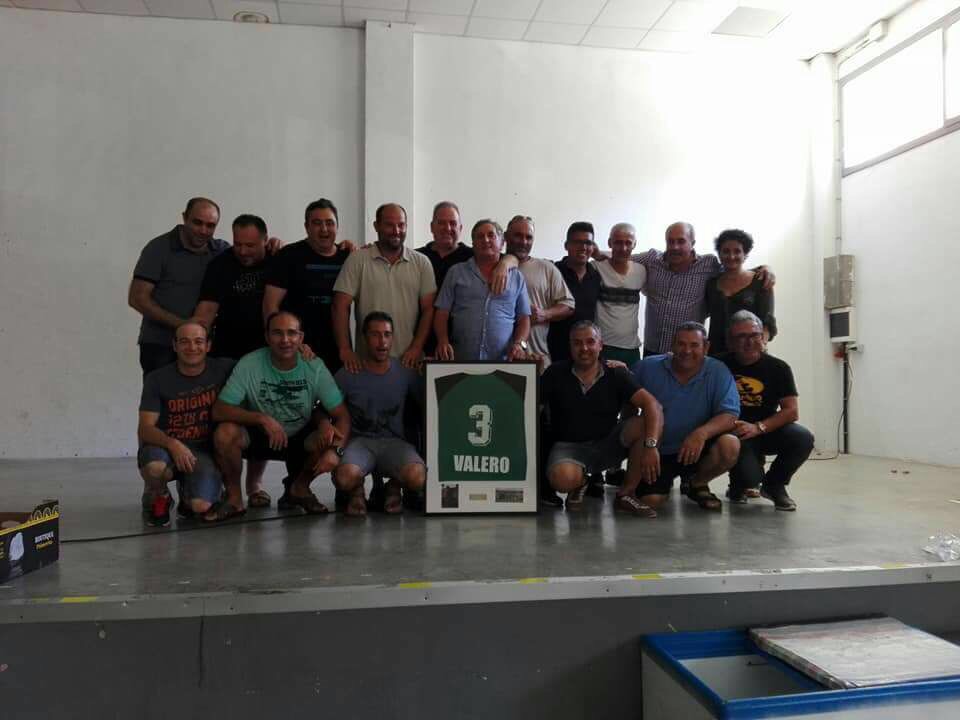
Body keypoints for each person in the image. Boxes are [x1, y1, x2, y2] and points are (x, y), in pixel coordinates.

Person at [211, 311, 351, 521]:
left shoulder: (314, 367)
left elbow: (342, 416)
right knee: (224, 433)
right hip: (259, 435)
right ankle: (234, 499)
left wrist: (336, 451)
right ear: (267, 337)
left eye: (291, 333)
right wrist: (262, 419)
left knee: (329, 436)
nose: (285, 340)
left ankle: (300, 488)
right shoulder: (250, 363)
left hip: (299, 436)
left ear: (301, 338)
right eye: (277, 333)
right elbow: (219, 410)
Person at [541, 321, 664, 516]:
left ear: (600, 345)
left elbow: (653, 405)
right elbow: (531, 406)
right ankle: (581, 482)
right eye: (577, 343)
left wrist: (651, 446)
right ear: (569, 346)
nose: (584, 348)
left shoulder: (616, 372)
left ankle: (626, 495)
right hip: (569, 447)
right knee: (561, 479)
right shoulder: (554, 372)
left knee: (643, 424)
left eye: (590, 342)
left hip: (608, 444)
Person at [194, 213, 274, 507]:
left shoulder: (278, 260)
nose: (242, 251)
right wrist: (194, 343)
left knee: (261, 419)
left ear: (265, 241)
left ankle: (255, 485)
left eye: (250, 245)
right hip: (225, 356)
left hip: (266, 357)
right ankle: (230, 487)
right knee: (226, 423)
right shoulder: (221, 265)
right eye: (238, 244)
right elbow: (205, 312)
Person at [631, 322, 741, 511]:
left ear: (706, 347)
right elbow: (626, 402)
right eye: (681, 344)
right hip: (659, 451)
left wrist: (701, 434)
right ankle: (660, 484)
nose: (687, 351)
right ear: (672, 345)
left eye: (694, 345)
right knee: (651, 501)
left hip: (698, 450)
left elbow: (729, 414)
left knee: (730, 445)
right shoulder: (646, 367)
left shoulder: (718, 371)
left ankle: (697, 483)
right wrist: (643, 447)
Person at [624, 222, 773, 356]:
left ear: (692, 243)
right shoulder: (652, 259)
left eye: (681, 241)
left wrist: (763, 269)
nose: (675, 247)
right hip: (653, 349)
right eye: (671, 241)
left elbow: (734, 269)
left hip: (688, 353)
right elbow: (619, 258)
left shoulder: (708, 265)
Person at [137, 321, 235, 526]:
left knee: (201, 507)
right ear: (175, 345)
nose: (192, 347)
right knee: (155, 467)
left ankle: (189, 493)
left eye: (198, 341)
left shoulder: (224, 368)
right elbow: (145, 429)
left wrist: (300, 351)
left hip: (203, 451)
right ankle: (159, 495)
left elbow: (264, 363)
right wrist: (173, 444)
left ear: (208, 345)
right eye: (184, 342)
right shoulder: (157, 379)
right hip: (165, 448)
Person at [333, 312, 426, 516]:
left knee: (418, 477)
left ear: (392, 338)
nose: (382, 341)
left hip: (395, 443)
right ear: (365, 338)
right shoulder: (348, 373)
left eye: (386, 334)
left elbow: (429, 403)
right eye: (375, 335)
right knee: (344, 479)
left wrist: (429, 367)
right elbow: (326, 408)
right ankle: (357, 491)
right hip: (359, 443)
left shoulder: (405, 372)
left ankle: (393, 488)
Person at [721, 310, 812, 510]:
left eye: (755, 335)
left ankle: (774, 485)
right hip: (733, 433)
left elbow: (791, 411)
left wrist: (758, 427)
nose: (749, 342)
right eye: (741, 336)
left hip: (766, 429)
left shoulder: (779, 368)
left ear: (763, 337)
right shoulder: (719, 365)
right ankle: (738, 484)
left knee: (803, 437)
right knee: (749, 479)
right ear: (731, 341)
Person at [128, 197, 230, 375]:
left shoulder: (221, 251)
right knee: (161, 392)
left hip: (202, 346)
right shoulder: (158, 248)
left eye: (210, 225)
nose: (203, 230)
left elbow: (250, 253)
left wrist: (273, 245)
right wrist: (182, 325)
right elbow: (137, 298)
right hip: (161, 345)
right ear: (184, 218)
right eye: (197, 223)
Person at [332, 203, 436, 372]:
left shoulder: (421, 263)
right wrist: (345, 349)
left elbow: (429, 309)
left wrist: (417, 347)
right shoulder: (357, 260)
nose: (396, 230)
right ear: (376, 226)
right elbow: (340, 306)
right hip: (367, 364)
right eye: (389, 224)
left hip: (408, 362)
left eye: (401, 225)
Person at [263, 199, 352, 374]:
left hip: (337, 351)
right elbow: (270, 305)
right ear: (306, 227)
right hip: (296, 349)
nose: (324, 229)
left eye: (330, 223)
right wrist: (285, 342)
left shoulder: (347, 258)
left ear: (337, 226)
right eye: (317, 223)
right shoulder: (288, 256)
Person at [434, 219, 531, 361]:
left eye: (491, 235)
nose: (485, 240)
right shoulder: (456, 272)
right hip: (461, 360)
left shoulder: (516, 277)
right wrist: (442, 341)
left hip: (503, 362)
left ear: (502, 243)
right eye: (480, 236)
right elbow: (442, 312)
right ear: (473, 244)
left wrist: (519, 344)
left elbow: (524, 318)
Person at [503, 215, 574, 366]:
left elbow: (569, 305)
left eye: (528, 237)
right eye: (518, 235)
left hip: (537, 358)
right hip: (497, 358)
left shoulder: (546, 268)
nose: (523, 242)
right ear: (506, 237)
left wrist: (544, 314)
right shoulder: (493, 266)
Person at [705, 229, 776, 356]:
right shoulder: (711, 284)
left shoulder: (760, 281)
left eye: (737, 251)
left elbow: (767, 322)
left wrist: (761, 345)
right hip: (716, 354)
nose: (731, 256)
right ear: (719, 254)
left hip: (749, 353)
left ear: (745, 254)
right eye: (726, 251)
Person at [547, 222, 602, 364]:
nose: (583, 247)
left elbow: (618, 259)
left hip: (586, 354)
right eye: (577, 242)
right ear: (566, 245)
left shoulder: (596, 276)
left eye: (588, 243)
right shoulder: (552, 271)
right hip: (554, 352)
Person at [596, 223, 646, 367]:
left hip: (631, 348)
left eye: (628, 243)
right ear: (609, 243)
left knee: (632, 381)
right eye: (618, 242)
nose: (623, 248)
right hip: (602, 346)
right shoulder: (596, 268)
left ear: (634, 244)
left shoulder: (641, 271)